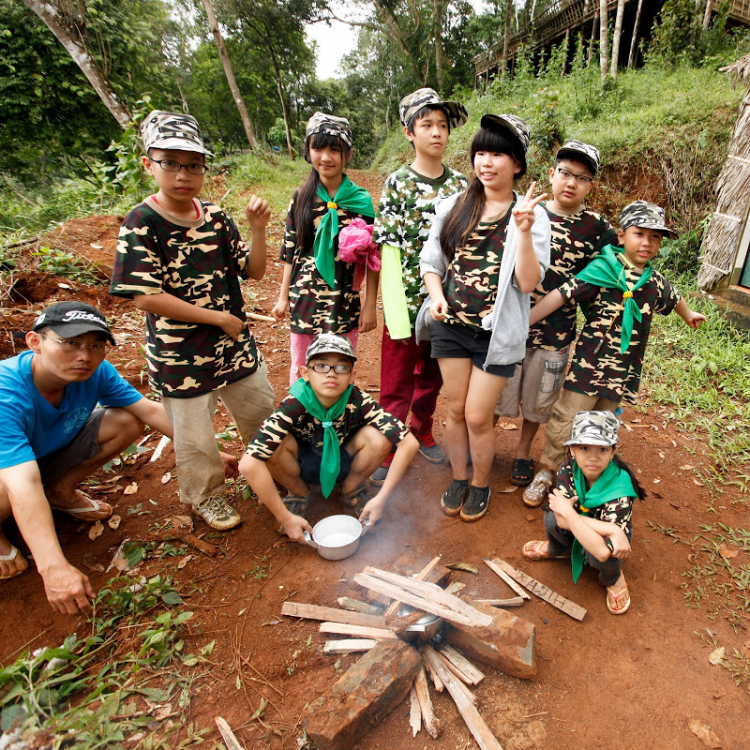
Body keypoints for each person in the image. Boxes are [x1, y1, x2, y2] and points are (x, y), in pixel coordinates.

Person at [110, 110, 275, 531]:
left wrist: (258, 230)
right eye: (171, 162)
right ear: (149, 163)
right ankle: (206, 497)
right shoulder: (141, 223)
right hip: (179, 356)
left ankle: (270, 472)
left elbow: (252, 271)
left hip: (234, 345)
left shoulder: (217, 217)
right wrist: (217, 317)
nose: (184, 174)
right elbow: (146, 297)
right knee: (195, 435)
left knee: (259, 410)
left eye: (194, 165)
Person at [523, 200, 707, 507]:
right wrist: (522, 323)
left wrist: (689, 315)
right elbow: (561, 295)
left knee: (603, 423)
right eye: (639, 234)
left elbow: (674, 298)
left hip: (622, 371)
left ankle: (585, 480)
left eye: (655, 237)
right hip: (587, 366)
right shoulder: (603, 270)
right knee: (568, 419)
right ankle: (547, 471)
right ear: (621, 236)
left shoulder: (655, 282)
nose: (647, 243)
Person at [0, 301, 177, 615]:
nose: (85, 356)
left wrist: (208, 451)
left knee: (125, 420)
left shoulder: (96, 373)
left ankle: (59, 492)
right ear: (34, 342)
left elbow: (148, 411)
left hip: (38, 461)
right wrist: (52, 567)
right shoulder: (6, 391)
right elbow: (22, 481)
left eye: (96, 345)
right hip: (13, 473)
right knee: (9, 485)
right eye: (71, 343)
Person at [417, 114, 551, 522]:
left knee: (478, 416)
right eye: (480, 153)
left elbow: (529, 283)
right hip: (451, 327)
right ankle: (459, 478)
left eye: (497, 154)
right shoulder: (457, 204)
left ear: (518, 164)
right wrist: (437, 296)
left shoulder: (530, 215)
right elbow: (431, 262)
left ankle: (480, 483)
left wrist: (524, 232)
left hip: (495, 336)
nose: (486, 162)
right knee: (454, 411)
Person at [496, 141, 618, 494]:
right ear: (551, 174)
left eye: (582, 178)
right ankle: (482, 448)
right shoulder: (527, 211)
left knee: (539, 402)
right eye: (565, 173)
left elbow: (618, 265)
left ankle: (522, 453)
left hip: (556, 332)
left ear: (590, 186)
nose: (571, 183)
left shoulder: (596, 228)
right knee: (496, 396)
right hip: (510, 325)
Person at [370, 88, 468, 484]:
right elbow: (387, 248)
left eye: (442, 125)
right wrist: (387, 307)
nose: (436, 133)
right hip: (405, 300)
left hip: (445, 302)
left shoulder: (462, 184)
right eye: (426, 124)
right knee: (395, 381)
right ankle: (388, 445)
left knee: (431, 376)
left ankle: (421, 430)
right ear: (409, 132)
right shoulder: (397, 184)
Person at [240, 334, 419, 542]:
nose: (332, 374)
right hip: (301, 465)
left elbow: (409, 443)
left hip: (344, 461)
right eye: (322, 366)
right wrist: (285, 518)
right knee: (275, 445)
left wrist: (381, 499)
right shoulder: (294, 404)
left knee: (379, 438)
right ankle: (298, 492)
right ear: (305, 373)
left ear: (352, 375)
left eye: (342, 367)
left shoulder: (357, 400)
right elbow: (248, 464)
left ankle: (350, 487)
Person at [272, 112, 378, 385]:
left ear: (348, 154)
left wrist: (369, 305)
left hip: (343, 301)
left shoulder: (361, 202)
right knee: (303, 366)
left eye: (335, 149)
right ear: (308, 151)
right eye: (318, 148)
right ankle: (303, 421)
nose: (326, 157)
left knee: (339, 368)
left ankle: (337, 422)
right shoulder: (301, 198)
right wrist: (283, 298)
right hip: (305, 299)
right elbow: (290, 251)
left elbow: (372, 257)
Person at [522, 411, 646, 615]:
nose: (593, 457)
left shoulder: (620, 488)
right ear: (572, 449)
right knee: (552, 519)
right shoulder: (568, 469)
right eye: (585, 447)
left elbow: (602, 551)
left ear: (613, 452)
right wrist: (611, 529)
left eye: (603, 449)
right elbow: (560, 519)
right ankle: (558, 549)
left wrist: (571, 515)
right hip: (598, 527)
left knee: (604, 554)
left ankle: (613, 579)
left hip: (603, 541)